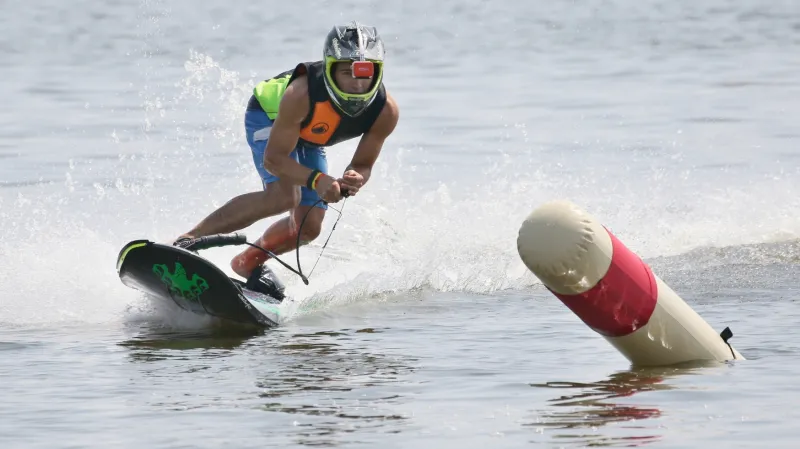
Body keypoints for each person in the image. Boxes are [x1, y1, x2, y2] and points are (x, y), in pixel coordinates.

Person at [172, 21, 399, 301]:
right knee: (283, 196)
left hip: (308, 136)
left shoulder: (385, 111)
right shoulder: (300, 94)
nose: (357, 82)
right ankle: (187, 241)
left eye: (365, 73)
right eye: (346, 72)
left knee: (309, 227)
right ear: (329, 70)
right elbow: (275, 160)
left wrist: (355, 177)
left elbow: (363, 163)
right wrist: (317, 180)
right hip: (268, 116)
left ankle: (247, 263)